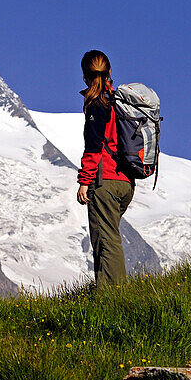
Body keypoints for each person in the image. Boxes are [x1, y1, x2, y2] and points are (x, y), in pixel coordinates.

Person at [76, 50, 134, 288]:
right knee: (109, 236)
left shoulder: (97, 104)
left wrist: (84, 180)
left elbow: (94, 146)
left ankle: (112, 298)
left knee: (106, 241)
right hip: (126, 182)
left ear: (84, 76)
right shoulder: (119, 101)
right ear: (110, 72)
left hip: (105, 182)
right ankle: (112, 293)